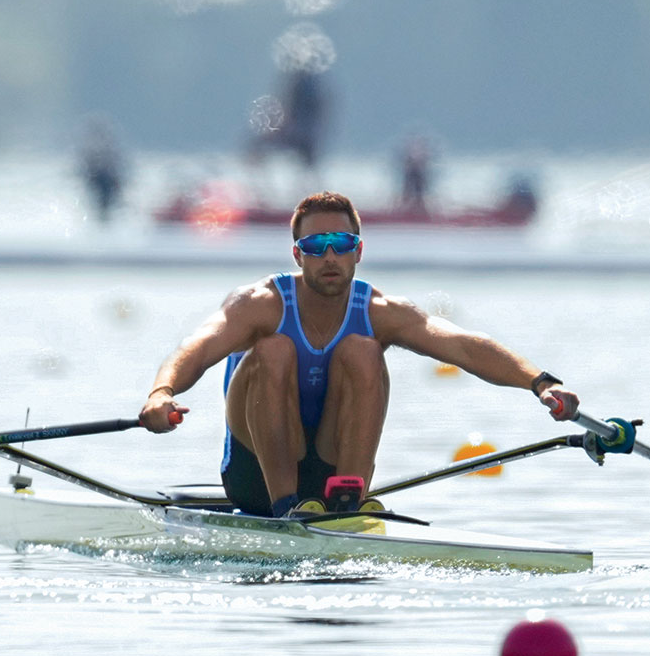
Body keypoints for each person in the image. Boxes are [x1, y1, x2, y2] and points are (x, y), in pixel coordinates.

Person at [137, 191, 580, 516]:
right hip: (254, 477)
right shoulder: (260, 304)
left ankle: (345, 502)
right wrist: (161, 393)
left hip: (331, 463)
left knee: (363, 351)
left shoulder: (380, 312)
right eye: (314, 247)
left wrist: (543, 384)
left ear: (359, 252)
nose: (329, 256)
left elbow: (464, 346)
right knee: (273, 350)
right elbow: (195, 347)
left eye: (342, 245)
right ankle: (286, 505)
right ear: (298, 254)